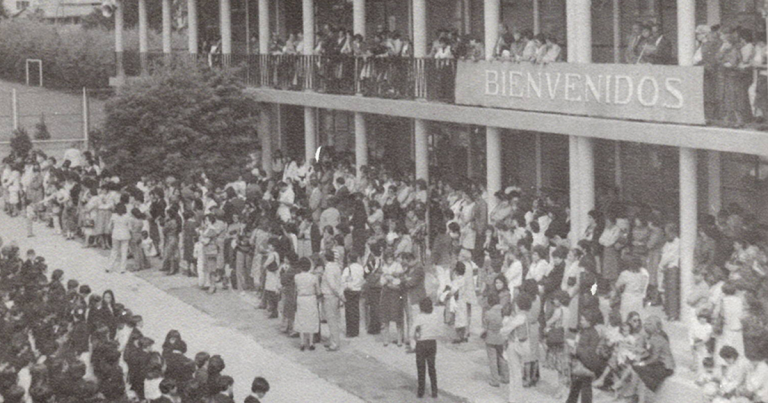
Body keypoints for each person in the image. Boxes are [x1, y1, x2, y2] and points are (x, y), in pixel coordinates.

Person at [565, 309, 606, 403]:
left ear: (589, 321)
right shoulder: (586, 331)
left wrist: (576, 350)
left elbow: (590, 351)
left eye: (582, 320)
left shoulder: (591, 334)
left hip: (586, 365)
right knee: (577, 387)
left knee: (583, 388)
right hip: (583, 363)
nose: (580, 321)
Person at [631, 315, 675, 402]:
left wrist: (641, 363)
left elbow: (654, 358)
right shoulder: (654, 335)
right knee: (636, 368)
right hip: (658, 363)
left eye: (649, 324)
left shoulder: (658, 337)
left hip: (665, 367)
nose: (645, 326)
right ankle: (637, 397)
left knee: (638, 369)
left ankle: (637, 397)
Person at [413, 297, 439, 399]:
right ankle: (434, 391)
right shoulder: (435, 316)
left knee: (421, 368)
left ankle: (421, 391)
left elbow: (413, 330)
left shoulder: (419, 317)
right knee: (432, 367)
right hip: (432, 343)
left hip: (421, 343)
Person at [483, 292, 509, 387]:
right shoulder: (503, 311)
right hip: (501, 337)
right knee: (502, 357)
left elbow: (485, 326)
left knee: (492, 359)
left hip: (490, 338)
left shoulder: (488, 313)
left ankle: (495, 380)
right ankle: (505, 377)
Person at [294, 257, 320, 351]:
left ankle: (302, 342)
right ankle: (311, 342)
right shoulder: (314, 277)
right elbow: (318, 291)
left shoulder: (296, 277)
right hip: (311, 298)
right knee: (311, 319)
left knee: (302, 319)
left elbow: (296, 289)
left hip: (301, 298)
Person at [321, 250, 344, 351]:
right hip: (334, 296)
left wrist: (338, 294)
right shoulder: (336, 266)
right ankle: (333, 340)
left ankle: (334, 343)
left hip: (330, 295)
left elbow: (332, 285)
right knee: (333, 319)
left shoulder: (328, 268)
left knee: (331, 320)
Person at [614, 257, 649, 321]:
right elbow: (644, 288)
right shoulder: (644, 274)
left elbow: (617, 286)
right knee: (637, 317)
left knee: (625, 316)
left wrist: (619, 294)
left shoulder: (625, 274)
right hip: (638, 298)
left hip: (627, 298)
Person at [342, 251, 364, 338]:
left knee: (349, 311)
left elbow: (343, 280)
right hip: (358, 290)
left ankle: (350, 331)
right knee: (356, 310)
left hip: (349, 290)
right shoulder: (360, 267)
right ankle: (356, 330)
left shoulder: (348, 269)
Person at [108, 203, 131, 274]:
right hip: (125, 234)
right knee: (124, 252)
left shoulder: (113, 216)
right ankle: (122, 269)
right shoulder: (127, 216)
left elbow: (109, 226)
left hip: (116, 234)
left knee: (114, 251)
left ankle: (109, 267)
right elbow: (130, 227)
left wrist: (112, 231)